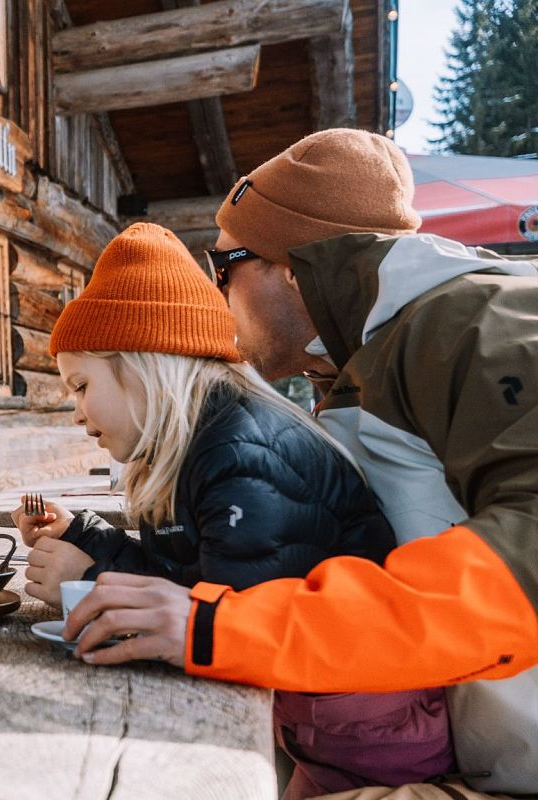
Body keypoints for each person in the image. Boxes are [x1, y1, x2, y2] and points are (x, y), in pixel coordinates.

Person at [63, 130, 538, 798]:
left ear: (294, 266)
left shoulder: (479, 327)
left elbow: (522, 572)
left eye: (223, 266)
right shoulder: (362, 365)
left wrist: (219, 626)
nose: (216, 294)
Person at [13, 223, 453, 798]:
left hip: (372, 734)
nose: (75, 411)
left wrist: (91, 581)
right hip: (330, 718)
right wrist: (87, 537)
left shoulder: (240, 454)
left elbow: (232, 621)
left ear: (141, 365)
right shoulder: (201, 444)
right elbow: (194, 576)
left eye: (80, 385)